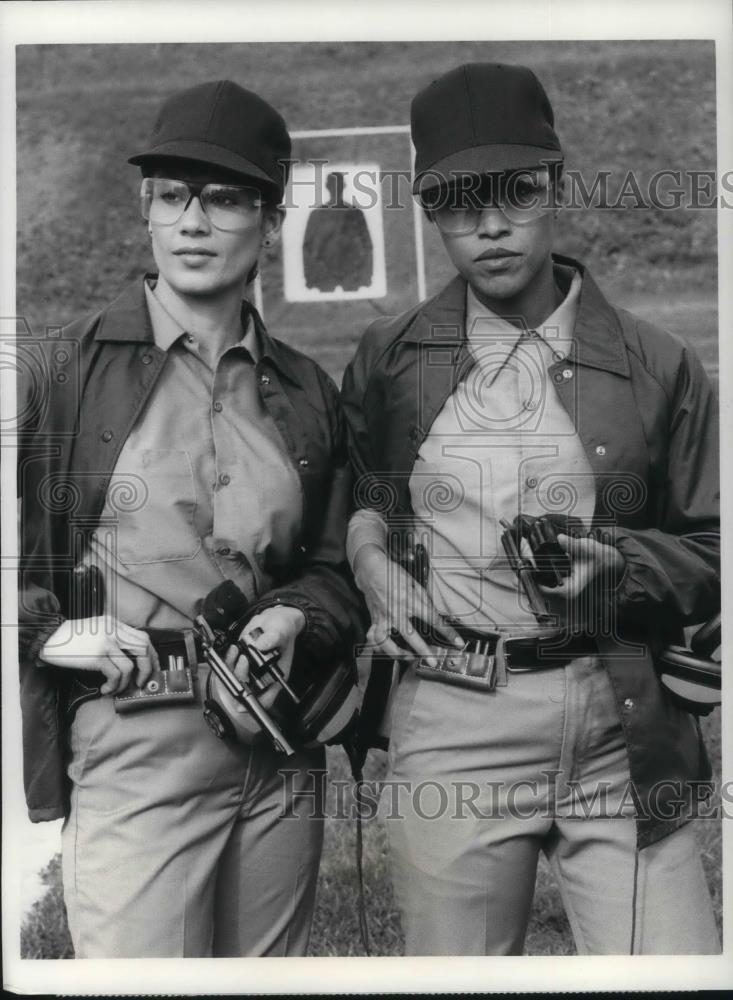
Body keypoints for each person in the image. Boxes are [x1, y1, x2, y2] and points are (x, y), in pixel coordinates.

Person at [341, 62, 720, 955]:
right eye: (457, 202)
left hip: (617, 711)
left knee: (672, 969)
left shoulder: (656, 362)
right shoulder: (389, 360)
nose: (488, 225)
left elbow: (712, 544)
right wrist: (369, 561)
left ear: (553, 183)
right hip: (454, 714)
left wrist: (620, 569)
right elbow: (355, 499)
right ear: (429, 211)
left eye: (514, 191)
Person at [17, 79, 364, 958]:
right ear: (146, 211)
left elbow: (334, 568)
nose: (193, 222)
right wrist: (49, 632)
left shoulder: (306, 390)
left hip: (279, 745)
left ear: (272, 222)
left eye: (225, 199)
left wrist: (298, 614)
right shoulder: (57, 374)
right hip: (136, 738)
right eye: (171, 196)